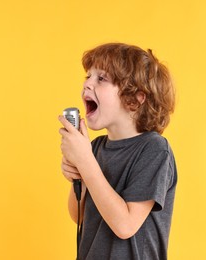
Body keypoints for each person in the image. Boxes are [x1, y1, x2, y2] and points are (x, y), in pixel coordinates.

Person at [58, 42, 177, 260]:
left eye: (101, 79)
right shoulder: (95, 148)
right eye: (88, 76)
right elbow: (79, 216)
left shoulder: (154, 149)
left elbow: (125, 226)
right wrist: (79, 178)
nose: (87, 84)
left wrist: (86, 163)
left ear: (135, 99)